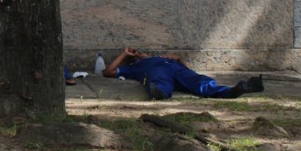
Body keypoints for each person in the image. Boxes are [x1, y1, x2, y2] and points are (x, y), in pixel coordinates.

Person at [102, 47, 263, 100]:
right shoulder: (136, 67)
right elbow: (108, 71)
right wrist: (124, 54)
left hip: (177, 70)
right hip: (157, 73)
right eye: (137, 54)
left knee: (199, 80)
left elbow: (188, 71)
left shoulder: (162, 58)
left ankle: (233, 90)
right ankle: (160, 92)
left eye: (141, 52)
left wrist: (179, 59)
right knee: (159, 79)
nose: (141, 53)